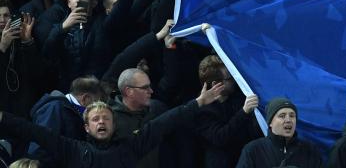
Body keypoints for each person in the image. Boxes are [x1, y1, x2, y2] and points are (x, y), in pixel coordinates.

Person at [0, 83, 224, 167]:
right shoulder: (71, 149)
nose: (101, 122)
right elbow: (33, 131)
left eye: (106, 118)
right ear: (86, 127)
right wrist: (3, 118)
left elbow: (164, 123)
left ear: (113, 125)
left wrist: (198, 103)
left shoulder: (132, 145)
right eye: (96, 119)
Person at [195, 55, 261, 168]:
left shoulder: (239, 96)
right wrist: (243, 112)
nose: (234, 80)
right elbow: (220, 137)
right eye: (229, 79)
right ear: (216, 85)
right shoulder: (202, 110)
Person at [237, 97, 323, 168]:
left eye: (292, 116)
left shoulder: (310, 150)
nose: (288, 120)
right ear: (270, 122)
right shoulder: (253, 150)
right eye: (282, 116)